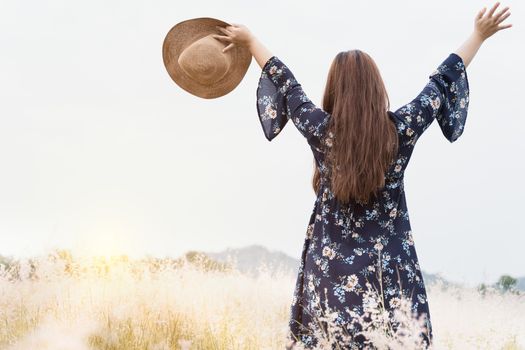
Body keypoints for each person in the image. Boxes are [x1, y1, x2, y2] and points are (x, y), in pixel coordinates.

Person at [213, 2, 512, 349]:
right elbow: (442, 82)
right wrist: (478, 35)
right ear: (376, 87)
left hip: (329, 273)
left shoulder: (322, 131)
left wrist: (251, 41)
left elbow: (287, 83)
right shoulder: (401, 130)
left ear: (334, 89)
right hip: (390, 274)